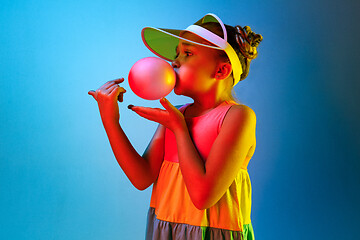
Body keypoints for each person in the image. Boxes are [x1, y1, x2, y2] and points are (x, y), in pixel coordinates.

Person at [88, 13, 262, 240]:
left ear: (221, 71)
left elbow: (202, 197)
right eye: (176, 54)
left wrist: (179, 129)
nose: (174, 62)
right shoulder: (177, 114)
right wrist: (111, 122)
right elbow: (141, 178)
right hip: (166, 229)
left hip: (211, 234)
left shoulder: (237, 117)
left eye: (188, 53)